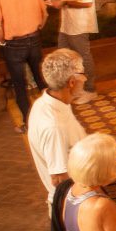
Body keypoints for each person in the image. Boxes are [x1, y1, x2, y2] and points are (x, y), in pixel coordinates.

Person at [0, 0, 49, 126]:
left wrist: (1, 41)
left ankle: (28, 121)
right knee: (41, 78)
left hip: (14, 44)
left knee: (19, 83)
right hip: (34, 39)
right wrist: (38, 27)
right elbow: (45, 14)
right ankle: (51, 114)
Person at [27, 49, 88, 205]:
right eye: (82, 74)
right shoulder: (54, 125)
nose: (85, 79)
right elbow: (60, 178)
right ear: (71, 82)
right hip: (73, 204)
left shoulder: (47, 102)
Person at [46, 0, 98, 105]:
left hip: (78, 25)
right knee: (64, 56)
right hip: (66, 24)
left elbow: (87, 2)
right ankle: (72, 87)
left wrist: (64, 2)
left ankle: (90, 90)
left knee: (83, 57)